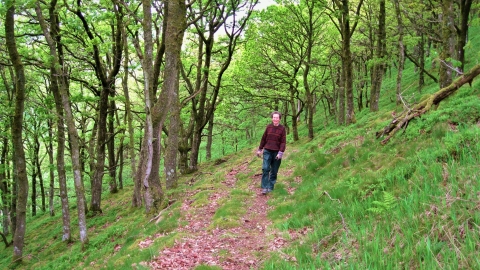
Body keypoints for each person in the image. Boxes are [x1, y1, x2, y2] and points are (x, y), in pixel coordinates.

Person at [256, 111, 286, 195]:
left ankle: (271, 186)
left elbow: (283, 142)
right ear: (272, 118)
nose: (275, 119)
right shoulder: (268, 127)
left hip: (276, 152)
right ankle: (264, 187)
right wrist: (260, 149)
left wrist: (280, 152)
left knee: (274, 170)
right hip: (267, 150)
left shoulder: (282, 129)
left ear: (279, 119)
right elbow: (263, 138)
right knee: (265, 168)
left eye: (277, 117)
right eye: (274, 117)